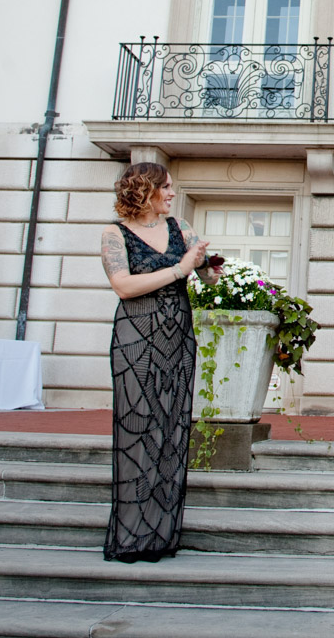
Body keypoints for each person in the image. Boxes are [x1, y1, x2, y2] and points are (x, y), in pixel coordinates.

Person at [98, 161, 215, 563]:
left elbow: (209, 277)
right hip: (136, 339)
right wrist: (178, 269)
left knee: (171, 429)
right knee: (137, 429)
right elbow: (124, 286)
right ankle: (132, 537)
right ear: (145, 190)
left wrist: (204, 264)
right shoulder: (115, 233)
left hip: (177, 338)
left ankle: (163, 535)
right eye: (165, 187)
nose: (170, 193)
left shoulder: (181, 228)